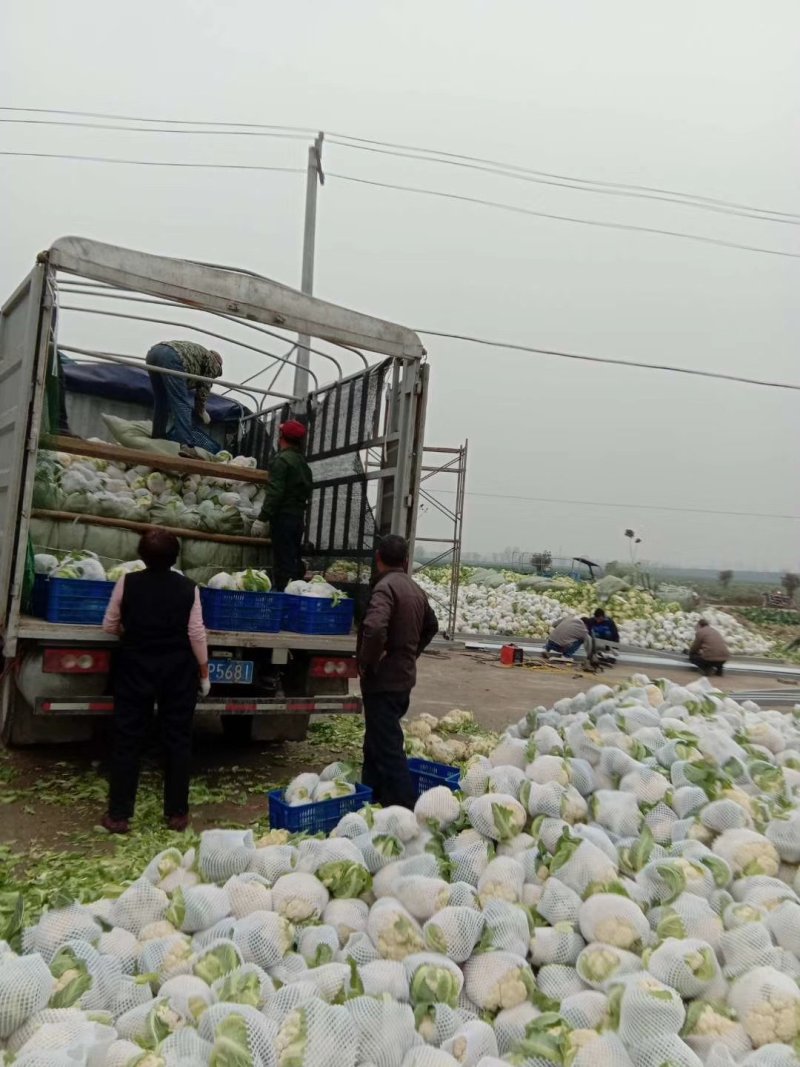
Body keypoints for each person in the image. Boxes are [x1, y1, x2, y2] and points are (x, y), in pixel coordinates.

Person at [101, 530, 210, 834]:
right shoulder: (189, 588)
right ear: (175, 558)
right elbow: (196, 634)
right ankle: (177, 814)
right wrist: (204, 671)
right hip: (177, 670)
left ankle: (119, 815)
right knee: (178, 739)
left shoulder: (128, 582)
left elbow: (109, 624)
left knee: (127, 739)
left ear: (141, 556)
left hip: (135, 666)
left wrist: (132, 631)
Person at [357, 534, 439, 809]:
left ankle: (407, 808)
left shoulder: (384, 588)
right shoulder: (415, 589)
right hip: (402, 679)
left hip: (383, 681)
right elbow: (432, 626)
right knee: (375, 743)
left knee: (388, 747)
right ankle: (371, 796)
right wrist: (410, 652)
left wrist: (369, 661)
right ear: (405, 561)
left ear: (378, 558)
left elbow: (376, 627)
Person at [250, 420, 313, 591]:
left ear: (281, 437)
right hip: (298, 518)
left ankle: (284, 598)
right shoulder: (302, 464)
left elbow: (275, 493)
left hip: (283, 518)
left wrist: (262, 518)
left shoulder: (282, 460)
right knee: (292, 559)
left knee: (283, 564)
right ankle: (296, 592)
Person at [145, 341, 223, 456]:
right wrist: (201, 410)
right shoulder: (213, 362)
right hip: (173, 358)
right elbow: (205, 386)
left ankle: (158, 435)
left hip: (154, 353)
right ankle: (186, 445)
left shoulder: (198, 354)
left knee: (162, 400)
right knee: (181, 402)